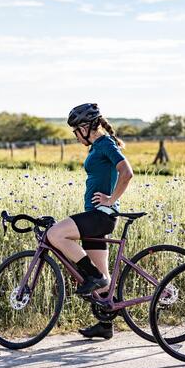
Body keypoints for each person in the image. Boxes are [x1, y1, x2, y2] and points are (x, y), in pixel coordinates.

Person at [47, 103, 133, 340]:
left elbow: (127, 172)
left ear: (86, 127)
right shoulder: (97, 146)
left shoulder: (105, 143)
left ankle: (93, 277)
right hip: (97, 216)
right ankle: (105, 324)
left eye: (76, 131)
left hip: (101, 216)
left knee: (55, 234)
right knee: (104, 286)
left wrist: (111, 199)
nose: (75, 136)